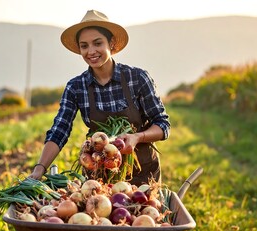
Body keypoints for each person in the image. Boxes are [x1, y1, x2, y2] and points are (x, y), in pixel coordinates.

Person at [29, 10, 170, 186]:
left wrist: (137, 137)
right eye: (84, 46)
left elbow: (162, 125)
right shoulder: (76, 87)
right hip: (98, 176)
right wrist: (39, 169)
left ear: (111, 43)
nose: (91, 51)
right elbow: (60, 130)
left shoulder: (137, 78)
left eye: (97, 43)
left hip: (142, 172)